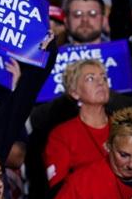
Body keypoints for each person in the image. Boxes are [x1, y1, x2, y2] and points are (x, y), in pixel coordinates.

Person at [43, 59, 113, 189]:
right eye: (90, 79)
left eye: (103, 77)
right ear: (74, 92)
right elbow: (58, 187)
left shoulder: (124, 127)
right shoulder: (61, 135)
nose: (101, 83)